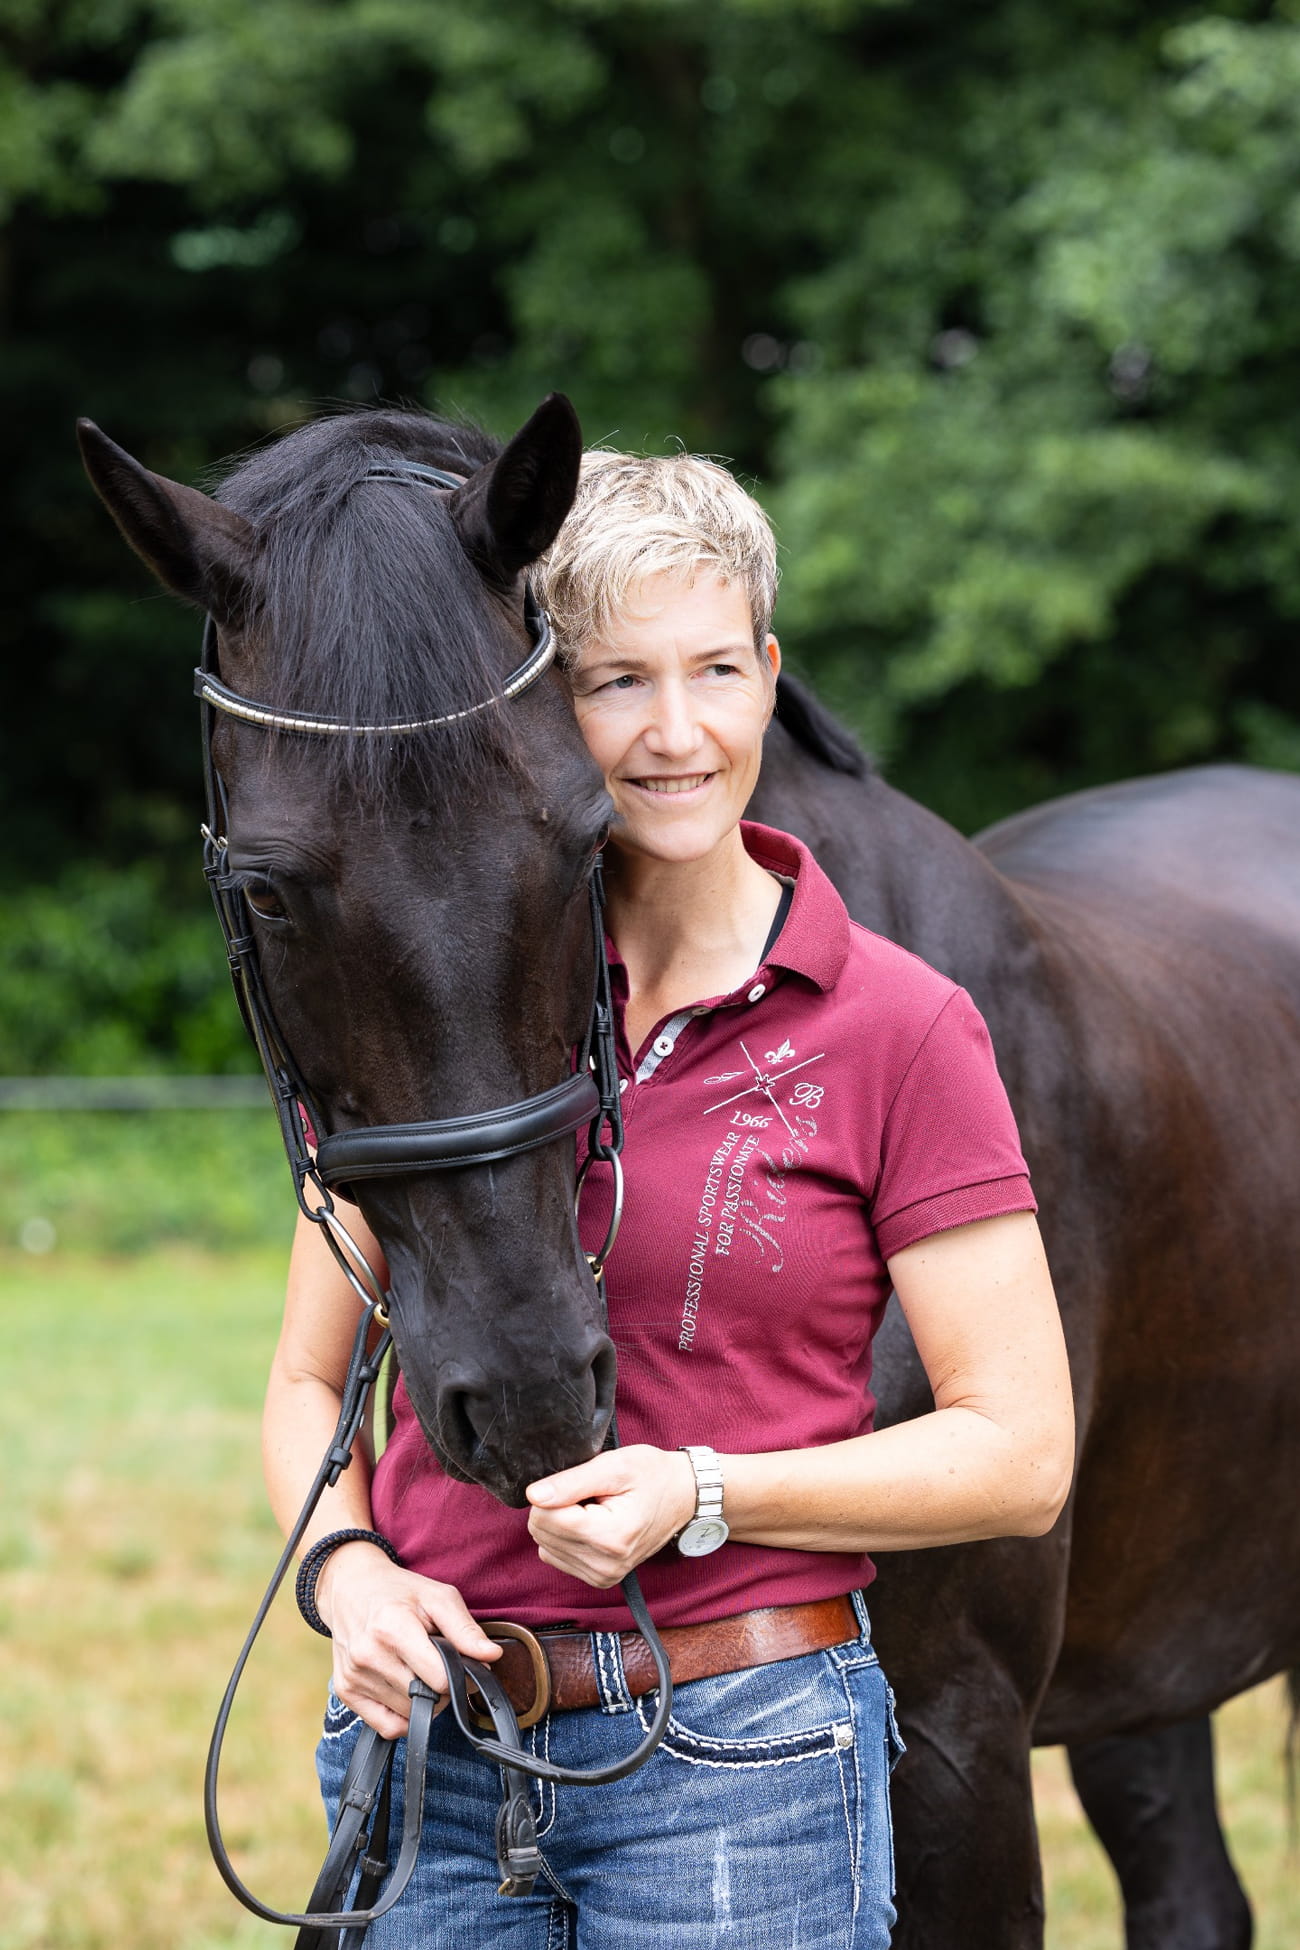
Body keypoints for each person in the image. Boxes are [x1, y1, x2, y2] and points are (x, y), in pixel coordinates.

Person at [262, 449, 1075, 1949]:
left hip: (742, 1761)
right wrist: (351, 1571)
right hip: (438, 1754)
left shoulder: (898, 1025)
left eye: (715, 668)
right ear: (535, 703)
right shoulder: (456, 1003)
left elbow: (1021, 1454)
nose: (676, 731)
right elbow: (311, 1379)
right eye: (615, 680)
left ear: (771, 675)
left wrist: (704, 1491)